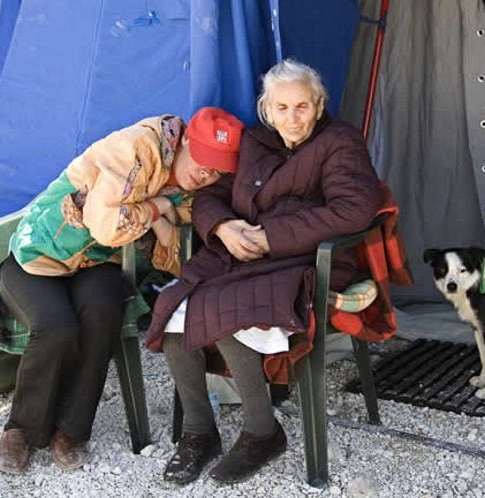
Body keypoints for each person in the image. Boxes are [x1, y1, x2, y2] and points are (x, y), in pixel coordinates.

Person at [144, 59, 383, 485]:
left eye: (302, 107)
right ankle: (199, 432)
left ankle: (262, 432)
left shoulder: (339, 141)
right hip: (240, 255)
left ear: (319, 104)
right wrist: (222, 226)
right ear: (267, 109)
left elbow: (355, 209)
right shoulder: (253, 141)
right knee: (176, 305)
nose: (292, 118)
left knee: (226, 306)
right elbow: (209, 195)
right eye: (282, 108)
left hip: (306, 260)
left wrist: (271, 237)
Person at [0, 107, 245, 474]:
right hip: (39, 257)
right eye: (204, 159)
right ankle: (21, 430)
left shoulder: (193, 185)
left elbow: (171, 258)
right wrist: (159, 207)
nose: (207, 172)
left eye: (218, 167)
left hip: (98, 264)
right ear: (185, 140)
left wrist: (176, 220)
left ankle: (73, 431)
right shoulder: (137, 148)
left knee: (102, 313)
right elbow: (107, 227)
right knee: (56, 328)